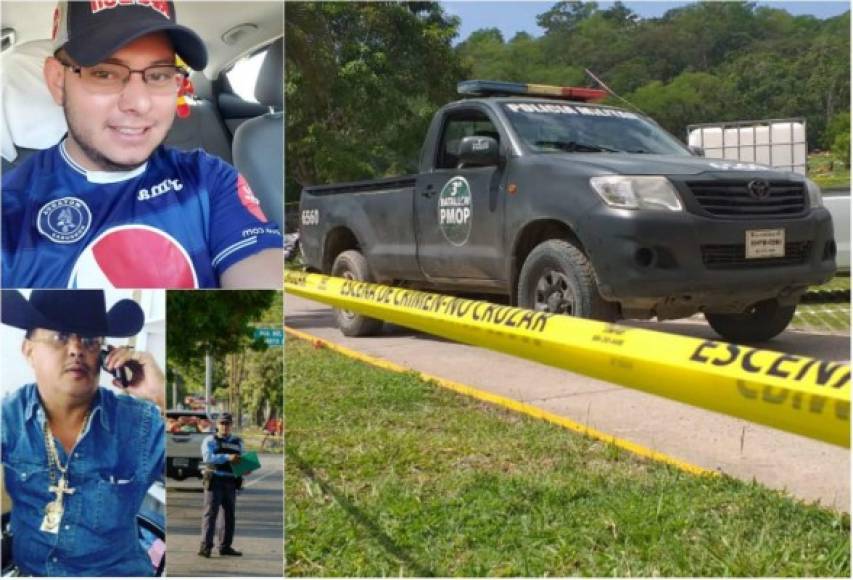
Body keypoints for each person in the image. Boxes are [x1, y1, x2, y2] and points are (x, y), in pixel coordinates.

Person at [1, 0, 283, 289]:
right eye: (105, 73)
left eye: (159, 75)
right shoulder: (9, 207)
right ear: (58, 81)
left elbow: (261, 291)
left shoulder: (211, 180)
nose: (139, 103)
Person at [0, 289, 166, 576]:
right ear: (29, 351)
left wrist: (161, 395)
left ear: (103, 354)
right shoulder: (8, 418)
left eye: (89, 340)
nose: (77, 349)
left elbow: (196, 475)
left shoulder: (139, 423)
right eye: (60, 337)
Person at [199, 412, 243, 558]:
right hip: (215, 480)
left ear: (231, 425)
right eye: (222, 423)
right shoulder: (210, 440)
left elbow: (243, 459)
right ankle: (205, 547)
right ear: (217, 425)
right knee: (210, 515)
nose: (225, 426)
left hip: (231, 482)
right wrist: (227, 457)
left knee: (229, 516)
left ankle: (225, 546)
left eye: (227, 424)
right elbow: (208, 457)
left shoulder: (238, 442)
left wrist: (246, 468)